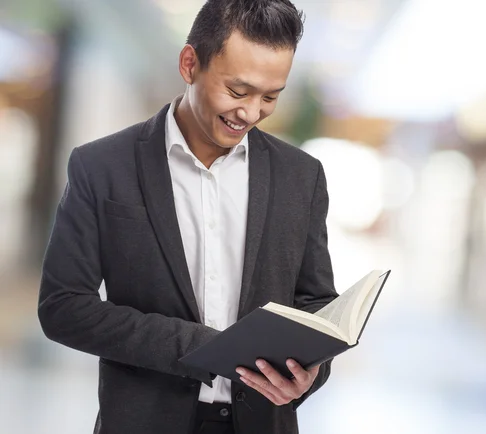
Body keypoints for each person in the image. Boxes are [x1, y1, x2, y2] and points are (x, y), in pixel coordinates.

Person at [37, 1, 338, 433]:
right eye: (238, 91)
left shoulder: (301, 177)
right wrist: (205, 348)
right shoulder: (101, 166)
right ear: (189, 63)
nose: (251, 113)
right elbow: (63, 307)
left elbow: (316, 303)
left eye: (270, 97)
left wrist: (312, 371)